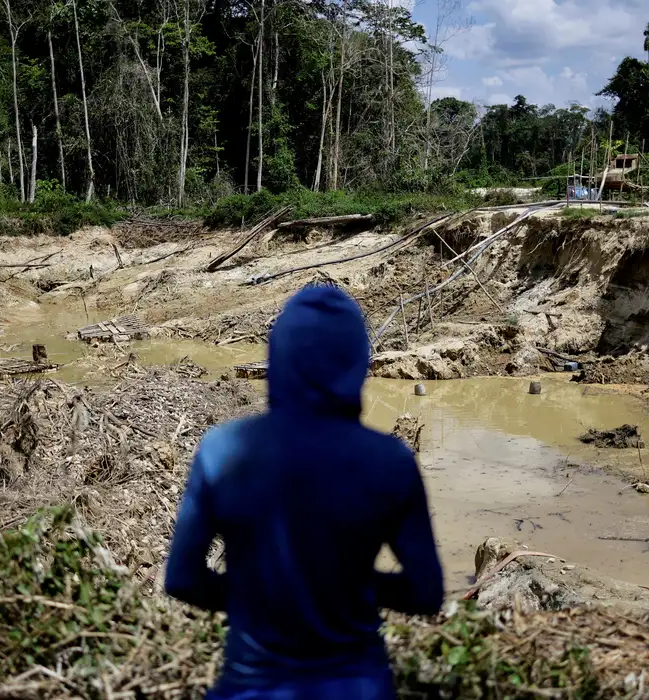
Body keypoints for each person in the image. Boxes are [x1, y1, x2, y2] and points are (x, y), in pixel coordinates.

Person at [165, 284, 444, 699]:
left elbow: (183, 578)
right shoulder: (390, 461)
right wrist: (353, 585)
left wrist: (255, 593)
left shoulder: (221, 450)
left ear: (278, 357)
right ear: (357, 362)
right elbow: (426, 593)